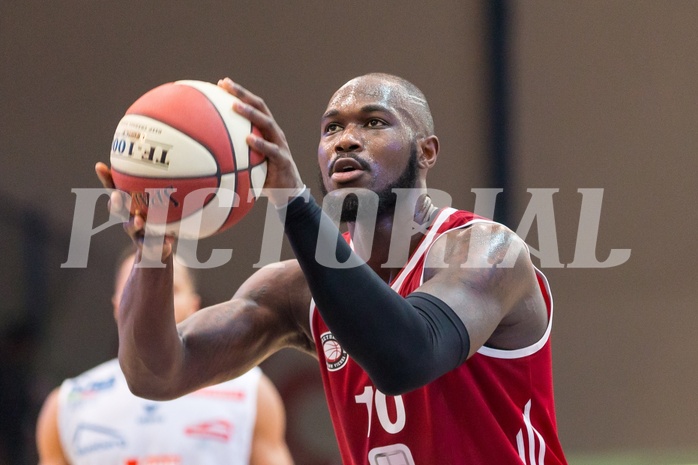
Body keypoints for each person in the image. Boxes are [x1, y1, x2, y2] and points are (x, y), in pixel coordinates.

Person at [95, 72, 568, 464]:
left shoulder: (487, 252)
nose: (347, 140)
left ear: (426, 151)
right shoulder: (295, 291)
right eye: (331, 129)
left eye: (374, 122)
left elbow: (407, 356)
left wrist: (294, 203)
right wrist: (154, 244)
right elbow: (156, 375)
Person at [35, 249, 294, 465]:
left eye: (170, 287)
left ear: (194, 306)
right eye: (136, 286)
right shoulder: (68, 403)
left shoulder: (251, 392)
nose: (153, 298)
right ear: (117, 306)